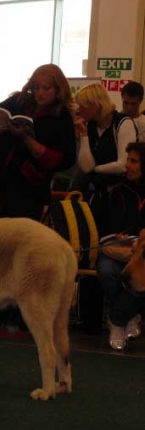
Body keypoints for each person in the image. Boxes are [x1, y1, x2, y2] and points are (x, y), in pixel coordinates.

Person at [0, 64, 76, 221]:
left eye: (46, 88)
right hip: (1, 179)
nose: (40, 93)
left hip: (30, 188)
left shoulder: (61, 117)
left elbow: (64, 158)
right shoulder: (20, 101)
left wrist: (26, 138)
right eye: (36, 88)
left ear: (58, 89)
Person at [96, 142, 145, 350]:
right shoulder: (118, 191)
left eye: (134, 161)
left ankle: (117, 320)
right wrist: (122, 234)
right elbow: (110, 226)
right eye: (128, 161)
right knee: (107, 271)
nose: (128, 166)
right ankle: (128, 315)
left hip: (141, 253)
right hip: (117, 248)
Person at [74, 83, 138, 235]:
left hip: (120, 194)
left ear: (96, 105)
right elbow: (86, 167)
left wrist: (96, 169)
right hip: (98, 193)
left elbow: (123, 164)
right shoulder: (90, 126)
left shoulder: (123, 122)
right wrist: (83, 135)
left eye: (83, 106)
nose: (79, 110)